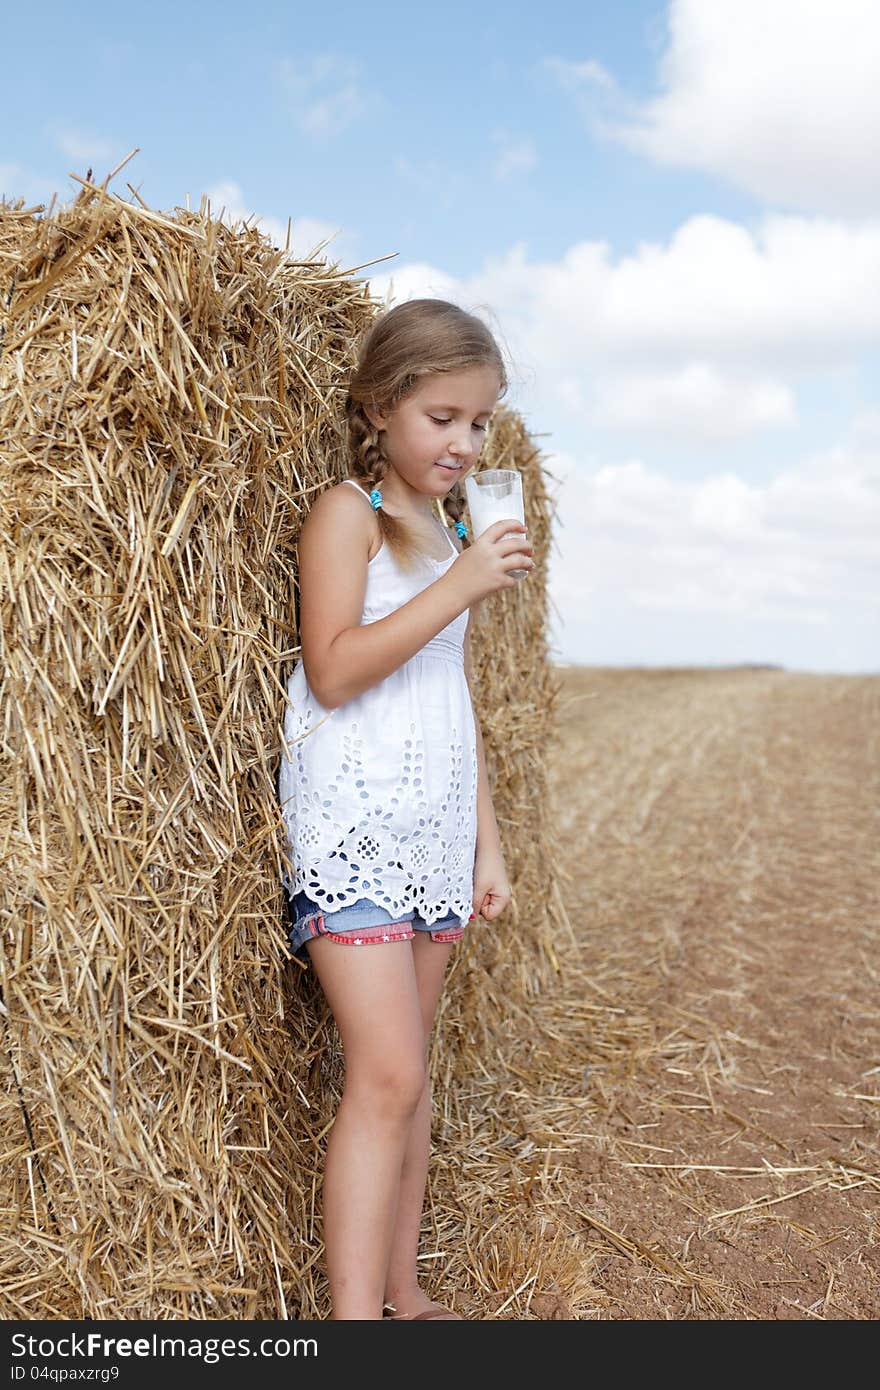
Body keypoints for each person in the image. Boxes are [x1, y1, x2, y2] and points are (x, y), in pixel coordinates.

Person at [277, 298, 534, 1321]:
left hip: (431, 830)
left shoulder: (454, 524)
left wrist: (487, 840)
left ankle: (400, 1287)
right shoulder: (349, 514)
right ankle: (351, 1325)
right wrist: (462, 583)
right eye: (442, 417)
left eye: (479, 422)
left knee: (412, 1078)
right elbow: (335, 670)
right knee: (382, 1076)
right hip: (355, 826)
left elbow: (445, 690)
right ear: (381, 408)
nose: (464, 442)